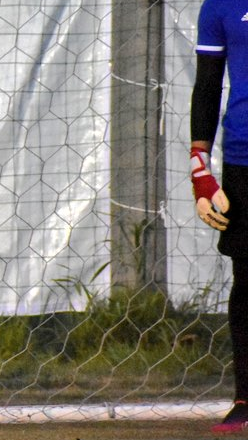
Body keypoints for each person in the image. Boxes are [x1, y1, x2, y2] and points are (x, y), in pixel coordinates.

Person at [190, 0, 248, 434]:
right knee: (247, 279)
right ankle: (246, 397)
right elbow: (208, 84)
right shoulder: (220, 5)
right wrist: (200, 170)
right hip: (244, 157)